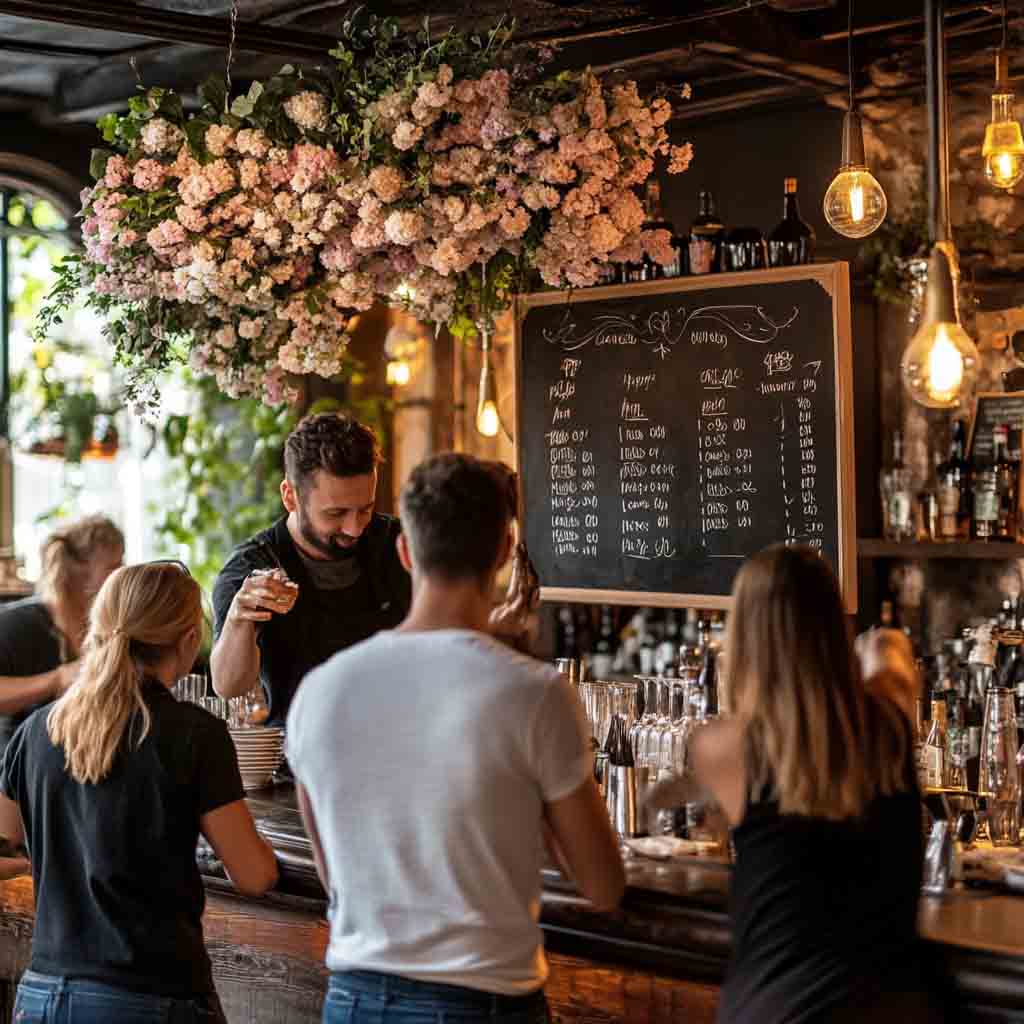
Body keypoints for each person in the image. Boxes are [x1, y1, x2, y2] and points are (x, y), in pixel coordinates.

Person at [286, 453, 624, 1024]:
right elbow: (603, 884)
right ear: (503, 549)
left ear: (405, 552)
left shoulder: (321, 690)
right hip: (479, 1003)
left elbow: (332, 874)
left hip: (353, 1000)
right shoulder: (534, 693)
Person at [647, 544, 939, 1024]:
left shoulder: (723, 748)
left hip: (771, 1009)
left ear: (745, 638)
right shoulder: (887, 723)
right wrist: (872, 655)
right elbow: (893, 652)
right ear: (834, 627)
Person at [0, 561, 278, 1024]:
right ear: (190, 639)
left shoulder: (34, 731)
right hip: (151, 997)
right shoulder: (194, 734)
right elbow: (253, 876)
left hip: (43, 996)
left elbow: (2, 844)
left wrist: (62, 857)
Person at [211, 413, 411, 723]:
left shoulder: (401, 545)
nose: (354, 528)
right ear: (290, 496)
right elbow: (229, 686)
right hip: (296, 759)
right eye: (336, 513)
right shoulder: (252, 567)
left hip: (397, 746)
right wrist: (239, 617)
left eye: (365, 509)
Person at [0, 515, 124, 757]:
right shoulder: (17, 625)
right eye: (113, 567)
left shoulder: (109, 624)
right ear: (79, 571)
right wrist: (56, 680)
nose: (122, 573)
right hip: (16, 772)